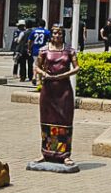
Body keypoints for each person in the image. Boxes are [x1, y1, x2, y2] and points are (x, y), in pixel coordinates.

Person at [33, 24, 79, 167]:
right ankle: (46, 152)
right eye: (54, 33)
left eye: (59, 33)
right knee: (47, 121)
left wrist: (64, 74)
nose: (57, 36)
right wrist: (44, 74)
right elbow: (36, 66)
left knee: (64, 121)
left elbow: (77, 67)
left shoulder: (69, 51)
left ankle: (64, 154)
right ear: (51, 35)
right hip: (48, 90)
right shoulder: (44, 50)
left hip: (64, 89)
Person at [27, 19, 51, 84]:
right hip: (43, 50)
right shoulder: (47, 32)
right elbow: (50, 41)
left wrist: (29, 48)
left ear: (38, 24)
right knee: (42, 65)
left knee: (35, 64)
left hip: (35, 50)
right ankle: (40, 79)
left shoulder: (34, 31)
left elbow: (29, 41)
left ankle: (34, 77)